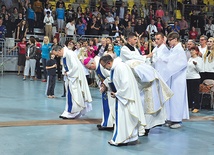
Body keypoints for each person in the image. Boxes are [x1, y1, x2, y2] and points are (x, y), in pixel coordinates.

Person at [99, 55, 146, 146]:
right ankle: (130, 137)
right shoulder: (116, 67)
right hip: (122, 97)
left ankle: (121, 139)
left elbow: (126, 85)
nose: (106, 69)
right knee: (125, 118)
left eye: (105, 66)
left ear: (109, 62)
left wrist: (117, 94)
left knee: (123, 118)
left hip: (125, 97)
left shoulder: (120, 67)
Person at [125, 59, 173, 135]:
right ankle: (144, 127)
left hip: (150, 85)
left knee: (148, 108)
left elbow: (147, 78)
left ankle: (146, 128)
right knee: (144, 107)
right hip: (147, 83)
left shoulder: (133, 68)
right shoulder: (129, 65)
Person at [155, 32, 189, 129]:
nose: (169, 42)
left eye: (170, 40)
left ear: (175, 39)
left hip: (178, 78)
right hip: (173, 77)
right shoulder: (174, 49)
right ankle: (171, 118)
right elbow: (170, 59)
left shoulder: (179, 49)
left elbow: (181, 63)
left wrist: (167, 65)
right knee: (171, 99)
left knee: (177, 99)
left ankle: (177, 120)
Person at [52, 45, 92, 119]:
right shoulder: (65, 55)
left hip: (74, 77)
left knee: (74, 94)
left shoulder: (69, 53)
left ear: (59, 50)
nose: (57, 56)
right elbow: (66, 65)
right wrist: (65, 72)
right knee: (69, 94)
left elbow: (75, 66)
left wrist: (69, 73)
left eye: (57, 54)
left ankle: (74, 111)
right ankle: (68, 110)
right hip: (70, 77)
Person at [83, 56, 115, 130]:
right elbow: (98, 79)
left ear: (92, 63)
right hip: (106, 89)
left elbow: (112, 75)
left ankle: (111, 124)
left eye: (90, 68)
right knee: (105, 107)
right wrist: (101, 86)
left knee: (111, 107)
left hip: (111, 89)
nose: (90, 70)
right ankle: (106, 123)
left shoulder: (102, 66)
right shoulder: (96, 68)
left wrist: (105, 84)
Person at [186, 46, 203, 113]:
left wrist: (196, 65)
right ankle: (190, 105)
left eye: (193, 50)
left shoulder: (199, 59)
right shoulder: (189, 59)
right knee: (189, 92)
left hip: (195, 78)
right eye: (191, 50)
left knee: (195, 93)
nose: (191, 51)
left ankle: (196, 106)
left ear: (196, 51)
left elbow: (200, 70)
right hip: (188, 77)